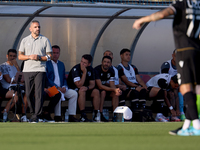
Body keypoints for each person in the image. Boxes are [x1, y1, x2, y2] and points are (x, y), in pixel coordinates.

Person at [133, 0, 200, 136]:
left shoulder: (181, 4)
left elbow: (164, 13)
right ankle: (187, 125)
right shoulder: (198, 5)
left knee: (186, 88)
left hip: (185, 50)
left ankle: (197, 126)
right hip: (197, 50)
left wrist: (144, 19)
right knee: (196, 89)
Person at [117, 48, 168, 122]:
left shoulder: (133, 67)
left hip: (138, 87)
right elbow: (126, 81)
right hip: (129, 88)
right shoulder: (119, 67)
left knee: (160, 91)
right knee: (138, 92)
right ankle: (139, 113)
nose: (128, 56)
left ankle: (159, 115)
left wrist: (145, 87)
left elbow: (139, 80)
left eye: (129, 55)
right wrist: (137, 87)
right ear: (121, 56)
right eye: (126, 55)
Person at [18, 20, 52, 123]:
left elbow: (49, 56)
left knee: (39, 94)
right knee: (28, 94)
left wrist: (40, 57)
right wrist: (29, 56)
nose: (38, 29)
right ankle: (33, 113)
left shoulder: (45, 40)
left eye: (39, 27)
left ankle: (36, 115)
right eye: (35, 27)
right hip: (28, 70)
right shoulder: (24, 40)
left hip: (40, 70)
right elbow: (20, 56)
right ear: (30, 29)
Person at [46, 45, 78, 122]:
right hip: (50, 88)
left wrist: (64, 86)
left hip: (61, 87)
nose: (55, 55)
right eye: (53, 53)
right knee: (58, 93)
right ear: (50, 54)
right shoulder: (46, 64)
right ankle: (57, 116)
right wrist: (57, 87)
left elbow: (63, 78)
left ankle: (71, 115)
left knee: (74, 93)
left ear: (59, 54)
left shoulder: (61, 64)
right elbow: (47, 79)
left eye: (57, 53)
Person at [67, 54, 100, 122]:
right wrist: (84, 73)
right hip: (74, 89)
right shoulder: (76, 69)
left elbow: (92, 84)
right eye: (81, 61)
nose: (82, 64)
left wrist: (87, 88)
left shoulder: (91, 69)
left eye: (84, 63)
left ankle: (97, 114)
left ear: (89, 64)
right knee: (81, 90)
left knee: (96, 91)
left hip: (85, 88)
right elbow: (79, 85)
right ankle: (83, 114)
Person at [1, 49, 28, 122]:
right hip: (8, 87)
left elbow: (21, 78)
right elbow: (8, 80)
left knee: (28, 92)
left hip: (17, 86)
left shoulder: (16, 66)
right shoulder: (3, 66)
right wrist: (18, 80)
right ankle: (4, 112)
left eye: (14, 56)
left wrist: (16, 66)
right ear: (7, 56)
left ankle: (23, 114)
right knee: (16, 95)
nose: (12, 58)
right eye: (10, 56)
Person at [94, 56, 122, 121]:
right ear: (101, 62)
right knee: (103, 92)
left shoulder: (111, 71)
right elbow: (100, 86)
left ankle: (115, 115)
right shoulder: (96, 70)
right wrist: (114, 89)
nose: (106, 64)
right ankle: (100, 114)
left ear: (110, 64)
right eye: (105, 62)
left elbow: (112, 85)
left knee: (115, 94)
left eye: (108, 62)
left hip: (106, 89)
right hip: (96, 89)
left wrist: (116, 90)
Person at [160, 50, 185, 121]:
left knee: (181, 91)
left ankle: (181, 112)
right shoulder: (166, 64)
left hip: (176, 86)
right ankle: (174, 113)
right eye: (175, 56)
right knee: (172, 93)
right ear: (172, 55)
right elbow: (164, 77)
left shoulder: (181, 65)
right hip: (165, 86)